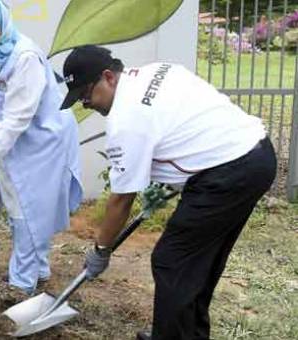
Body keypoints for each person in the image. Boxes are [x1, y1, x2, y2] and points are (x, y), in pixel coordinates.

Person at [61, 45, 277, 340]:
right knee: (198, 262)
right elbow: (182, 120)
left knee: (172, 260)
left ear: (108, 77)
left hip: (228, 173)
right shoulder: (157, 70)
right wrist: (171, 178)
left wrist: (101, 250)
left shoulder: (125, 119)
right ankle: (184, 332)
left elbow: (121, 200)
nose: (86, 104)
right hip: (254, 154)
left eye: (86, 95)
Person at [0, 0, 83, 295]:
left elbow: (18, 116)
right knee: (22, 203)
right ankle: (38, 270)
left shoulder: (24, 56)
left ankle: (21, 284)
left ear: (1, 17)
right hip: (14, 135)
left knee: (27, 205)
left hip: (43, 136)